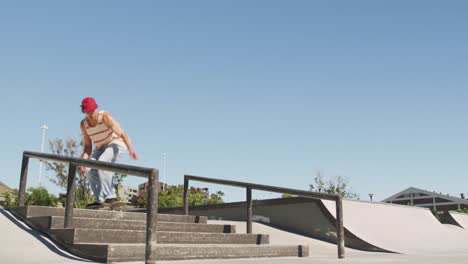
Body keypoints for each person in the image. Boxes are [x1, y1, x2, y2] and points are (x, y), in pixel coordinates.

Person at [79, 97, 138, 208]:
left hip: (116, 144)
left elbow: (123, 134)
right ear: (84, 112)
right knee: (88, 168)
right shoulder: (84, 125)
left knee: (102, 162)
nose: (91, 114)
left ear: (96, 108)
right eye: (88, 112)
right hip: (101, 147)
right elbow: (87, 147)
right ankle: (100, 199)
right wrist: (83, 162)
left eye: (92, 111)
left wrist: (131, 150)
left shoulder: (105, 117)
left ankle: (110, 197)